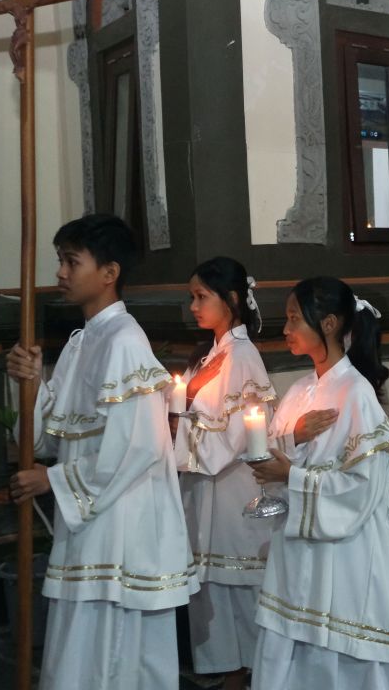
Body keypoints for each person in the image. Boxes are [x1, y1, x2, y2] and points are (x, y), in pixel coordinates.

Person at [4, 213, 198, 690]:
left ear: (109, 273)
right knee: (81, 651)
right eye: (59, 261)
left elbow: (137, 447)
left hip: (122, 527)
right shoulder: (80, 342)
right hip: (91, 520)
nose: (60, 274)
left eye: (72, 262)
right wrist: (30, 387)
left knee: (115, 656)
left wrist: (50, 480)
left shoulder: (126, 342)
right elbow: (50, 438)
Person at [249, 278, 389, 688]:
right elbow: (270, 447)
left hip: (348, 551)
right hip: (301, 547)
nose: (286, 329)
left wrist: (290, 473)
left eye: (294, 319)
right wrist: (293, 438)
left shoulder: (356, 393)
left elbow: (361, 488)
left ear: (327, 323)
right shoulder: (300, 390)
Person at [174, 257, 276, 690]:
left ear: (231, 300)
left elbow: (235, 434)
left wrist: (185, 424)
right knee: (212, 583)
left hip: (233, 488)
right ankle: (230, 669)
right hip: (203, 486)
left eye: (202, 296)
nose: (193, 306)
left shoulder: (241, 356)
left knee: (238, 583)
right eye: (192, 297)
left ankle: (256, 672)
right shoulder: (210, 355)